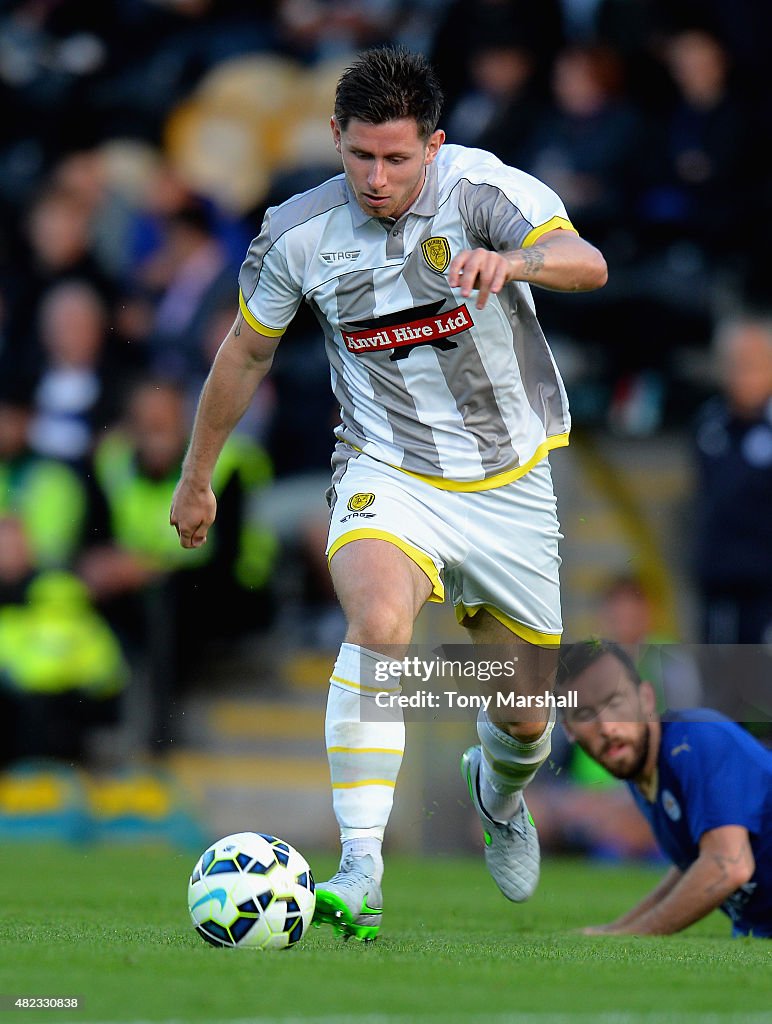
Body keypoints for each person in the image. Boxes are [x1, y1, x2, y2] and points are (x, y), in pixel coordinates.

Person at [171, 46, 607, 940]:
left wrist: (514, 265)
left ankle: (497, 790)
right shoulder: (296, 232)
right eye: (360, 155)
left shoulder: (482, 191)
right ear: (335, 137)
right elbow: (247, 351)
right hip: (385, 466)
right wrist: (197, 473)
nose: (376, 178)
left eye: (398, 159)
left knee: (526, 716)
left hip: (509, 479)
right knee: (377, 623)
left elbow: (586, 261)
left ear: (433, 145)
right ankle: (361, 867)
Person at [556, 639, 771, 937]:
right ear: (568, 729)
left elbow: (727, 866)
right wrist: (615, 929)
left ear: (646, 699)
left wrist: (629, 936)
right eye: (584, 714)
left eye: (616, 703)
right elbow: (696, 857)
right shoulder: (640, 767)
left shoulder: (696, 740)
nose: (607, 728)